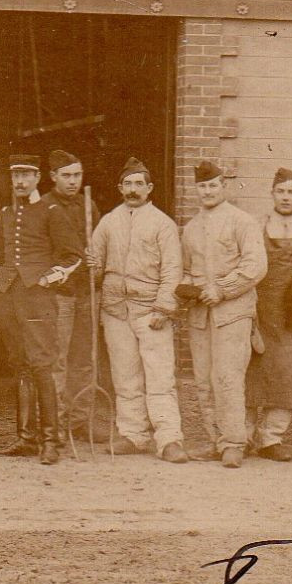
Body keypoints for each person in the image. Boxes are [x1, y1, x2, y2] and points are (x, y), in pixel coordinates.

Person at [0, 154, 80, 465]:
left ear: (39, 178)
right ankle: (26, 438)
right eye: (16, 175)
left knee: (41, 365)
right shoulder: (6, 213)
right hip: (9, 297)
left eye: (26, 175)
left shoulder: (51, 211)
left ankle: (50, 441)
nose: (20, 181)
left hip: (38, 298)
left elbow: (72, 256)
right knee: (20, 365)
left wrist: (47, 279)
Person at [88, 157, 187, 463]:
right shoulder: (107, 222)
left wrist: (164, 307)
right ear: (120, 187)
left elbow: (173, 271)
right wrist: (92, 267)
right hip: (116, 310)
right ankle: (133, 434)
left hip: (151, 311)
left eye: (138, 184)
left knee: (159, 377)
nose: (133, 190)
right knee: (125, 376)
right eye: (128, 184)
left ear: (149, 188)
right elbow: (96, 270)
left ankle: (169, 438)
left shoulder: (163, 224)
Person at [179, 161, 266, 468]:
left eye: (213, 185)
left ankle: (233, 442)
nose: (207, 191)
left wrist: (222, 289)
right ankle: (214, 439)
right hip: (201, 316)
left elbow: (255, 266)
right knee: (203, 380)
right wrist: (188, 289)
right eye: (202, 187)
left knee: (227, 378)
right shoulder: (190, 229)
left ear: (223, 186)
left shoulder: (242, 222)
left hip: (233, 313)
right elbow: (187, 271)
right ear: (196, 190)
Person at [245, 167, 292, 462]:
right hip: (259, 307)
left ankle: (272, 438)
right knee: (251, 369)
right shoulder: (255, 226)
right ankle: (243, 436)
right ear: (272, 194)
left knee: (289, 371)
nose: (286, 197)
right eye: (281, 191)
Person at [44, 149, 98, 437]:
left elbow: (101, 246)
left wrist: (95, 261)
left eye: (77, 175)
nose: (73, 181)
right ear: (53, 177)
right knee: (59, 360)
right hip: (60, 295)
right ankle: (58, 424)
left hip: (87, 293)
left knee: (85, 359)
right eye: (66, 176)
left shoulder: (89, 206)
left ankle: (80, 422)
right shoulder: (43, 208)